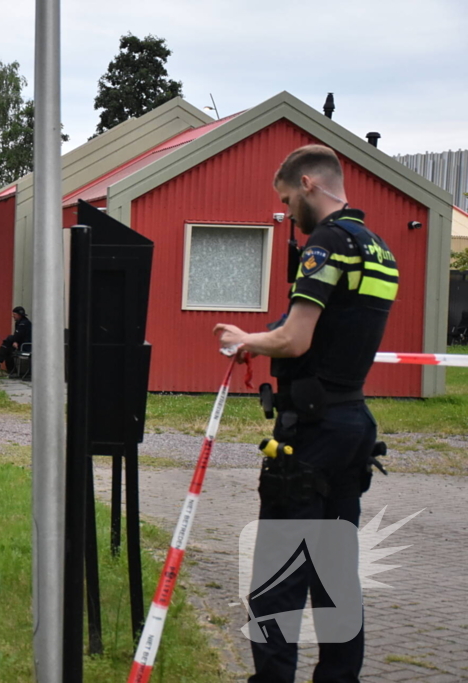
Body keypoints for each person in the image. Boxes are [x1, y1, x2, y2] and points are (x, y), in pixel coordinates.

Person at [214, 145, 399, 683]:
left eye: (288, 198)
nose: (288, 211)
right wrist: (264, 343)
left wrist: (248, 338)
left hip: (311, 435)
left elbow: (295, 339)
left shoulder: (326, 244)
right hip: (353, 427)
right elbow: (333, 328)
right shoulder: (379, 249)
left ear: (311, 184)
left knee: (276, 582)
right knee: (337, 577)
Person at [0, 306, 31, 375]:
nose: (13, 316)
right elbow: (17, 336)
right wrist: (15, 341)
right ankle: (8, 370)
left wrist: (15, 341)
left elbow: (18, 336)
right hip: (20, 344)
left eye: (14, 314)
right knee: (7, 348)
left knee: (9, 340)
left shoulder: (24, 324)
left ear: (19, 315)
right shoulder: (19, 322)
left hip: (25, 346)